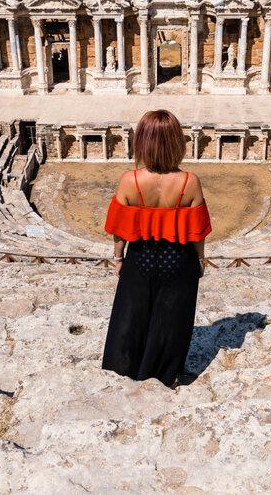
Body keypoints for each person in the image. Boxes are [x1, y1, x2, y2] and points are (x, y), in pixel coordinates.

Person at [101, 110, 212, 388]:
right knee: (171, 322)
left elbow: (119, 228)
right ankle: (164, 375)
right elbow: (197, 231)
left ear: (143, 143)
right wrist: (200, 260)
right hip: (178, 261)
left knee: (131, 319)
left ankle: (125, 373)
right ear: (177, 142)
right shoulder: (190, 182)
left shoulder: (130, 180)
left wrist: (118, 259)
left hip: (141, 258)